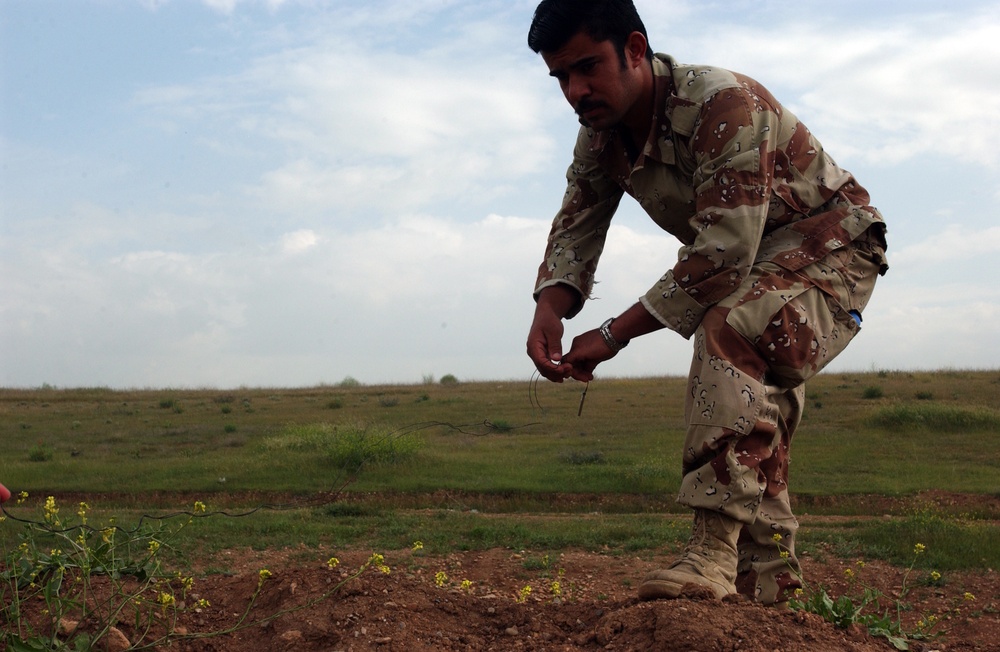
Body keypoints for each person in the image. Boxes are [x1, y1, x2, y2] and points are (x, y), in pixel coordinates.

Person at [524, 0, 888, 605]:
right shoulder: (601, 134)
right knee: (755, 408)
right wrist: (550, 308)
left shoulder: (723, 104)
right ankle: (768, 594)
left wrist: (612, 334)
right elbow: (577, 225)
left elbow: (723, 253)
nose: (576, 90)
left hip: (834, 252)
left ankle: (710, 555)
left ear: (635, 50)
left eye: (588, 67)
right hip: (760, 269)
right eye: (561, 76)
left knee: (731, 329)